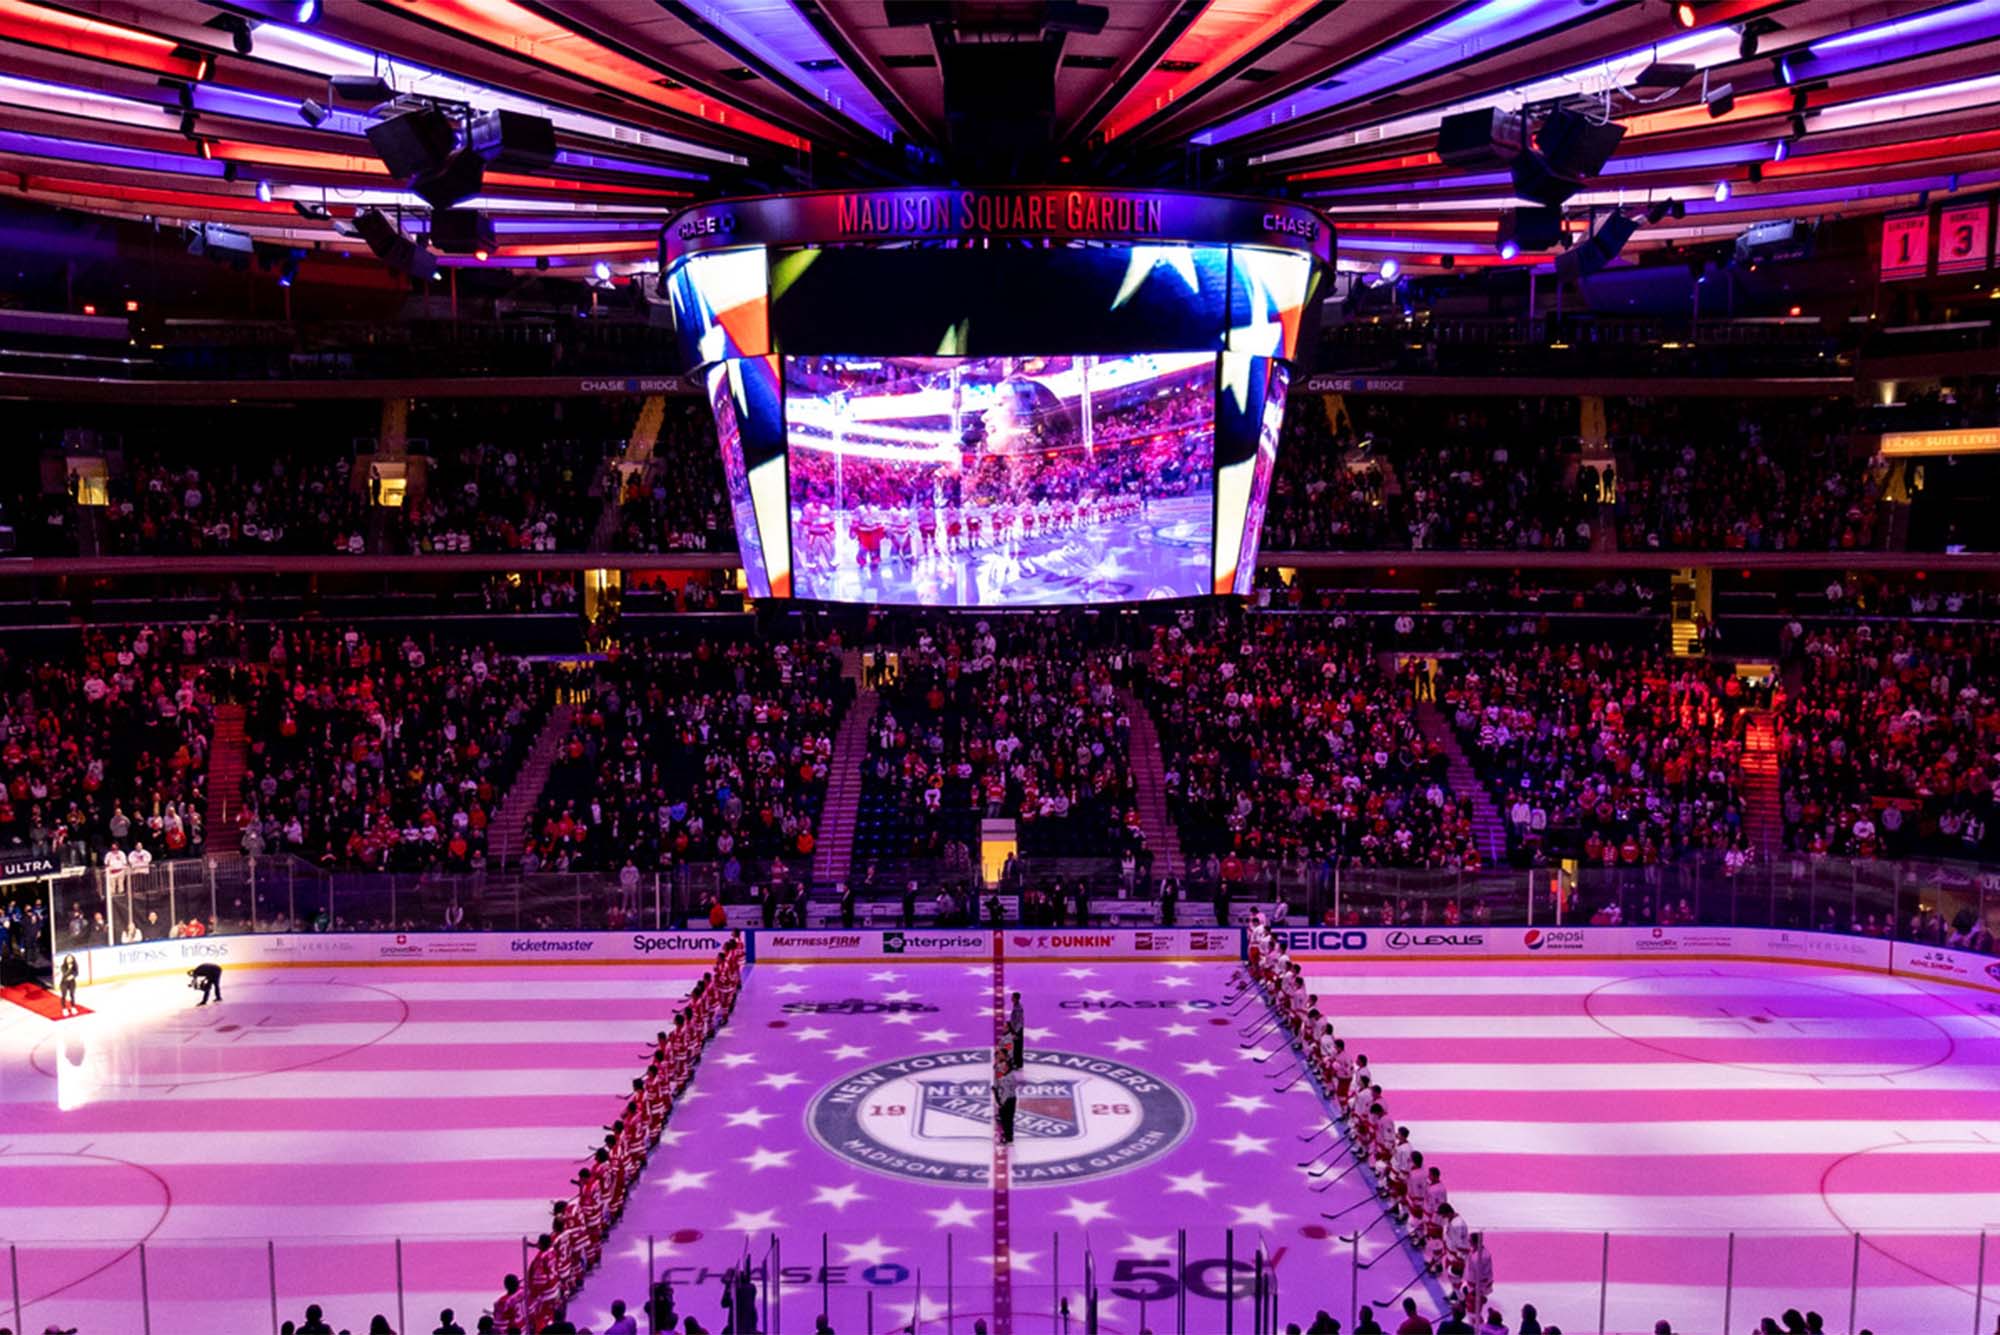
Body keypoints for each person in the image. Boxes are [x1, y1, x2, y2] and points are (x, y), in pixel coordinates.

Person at [994, 1056, 1018, 1144]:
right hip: (1012, 1098)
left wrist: (1001, 1103)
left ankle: (1008, 1138)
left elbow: (1006, 1092)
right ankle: (1009, 1137)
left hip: (1007, 1100)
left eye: (1003, 1066)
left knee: (1006, 1120)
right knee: (1009, 1119)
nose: (1001, 1068)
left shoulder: (1006, 1078)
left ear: (1007, 1066)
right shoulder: (1011, 1075)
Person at [1007, 991, 1026, 1066]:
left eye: (1012, 997)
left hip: (1017, 1030)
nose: (1011, 998)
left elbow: (1019, 1020)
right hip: (1016, 1029)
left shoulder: (1018, 1008)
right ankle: (1016, 1061)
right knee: (1015, 1046)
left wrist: (1015, 1032)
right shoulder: (1016, 1006)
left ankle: (1018, 1063)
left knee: (1018, 1046)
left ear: (1015, 998)